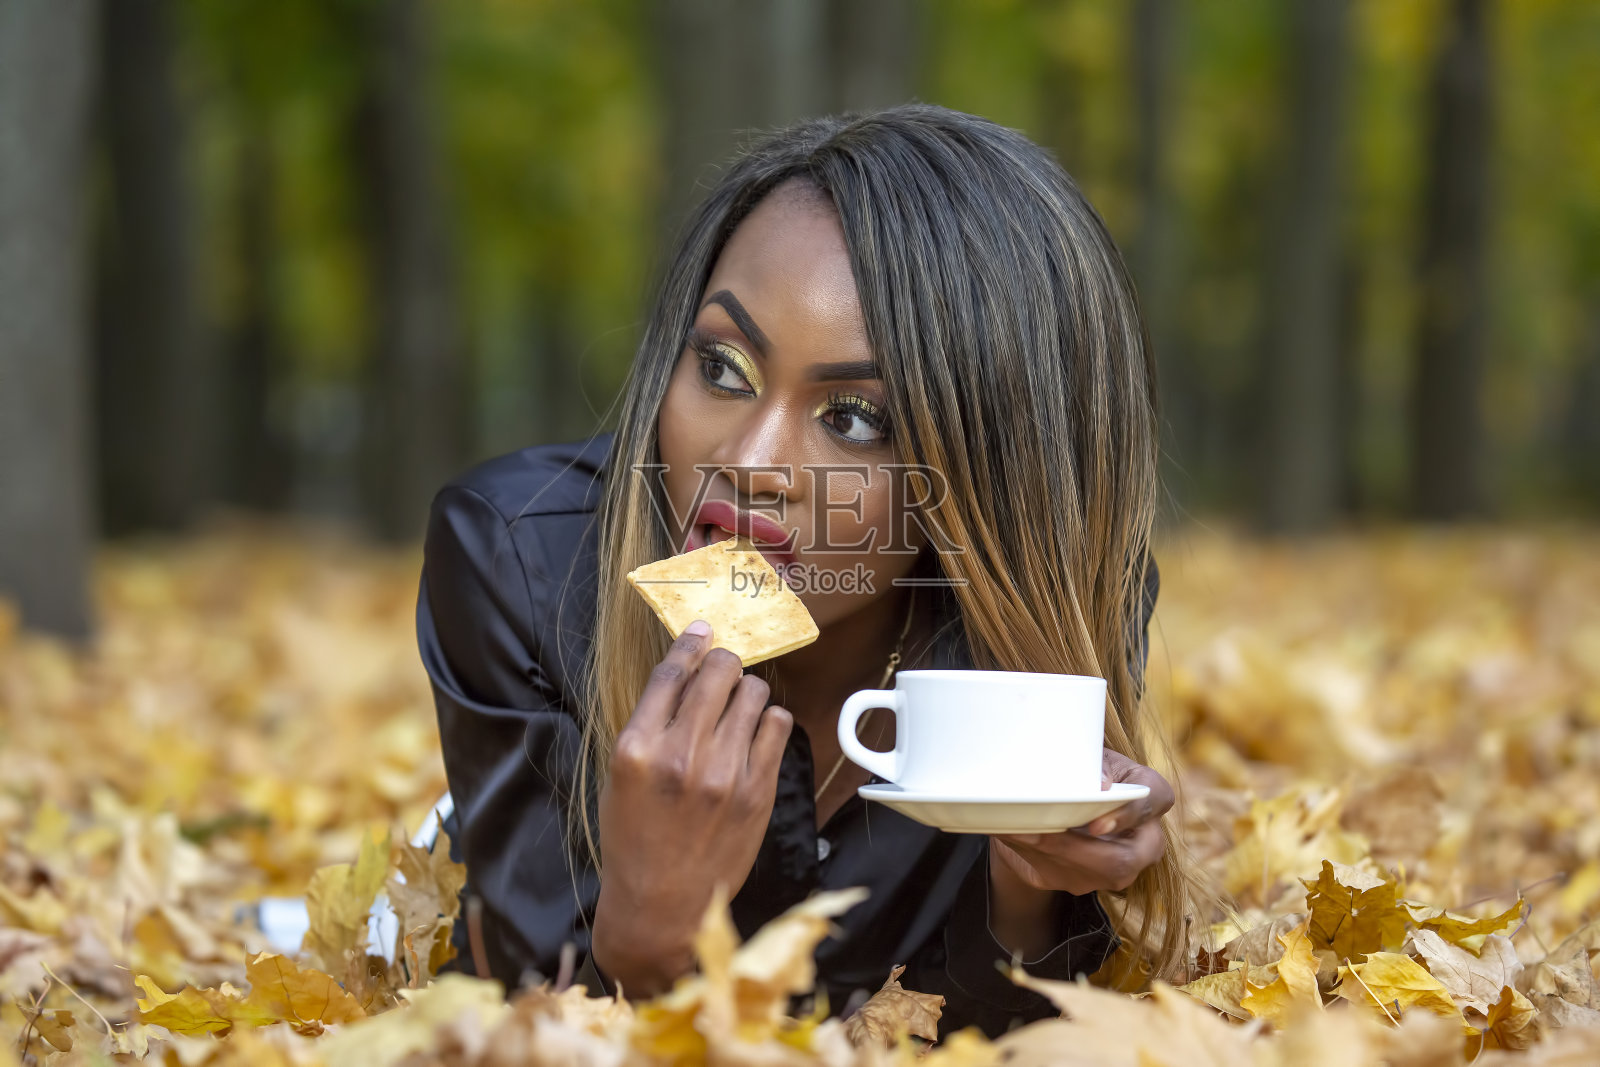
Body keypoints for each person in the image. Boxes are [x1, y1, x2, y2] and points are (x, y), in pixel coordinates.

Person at [416, 103, 1192, 1039]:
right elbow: (523, 1015)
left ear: (989, 475)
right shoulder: (523, 558)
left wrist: (1031, 894)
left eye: (855, 418)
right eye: (725, 366)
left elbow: (1013, 1039)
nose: (751, 460)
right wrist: (647, 940)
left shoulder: (1035, 613)